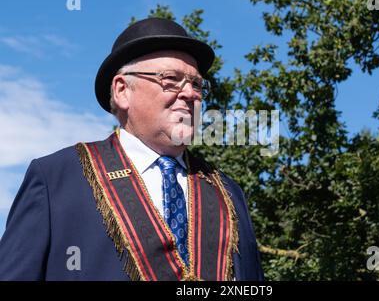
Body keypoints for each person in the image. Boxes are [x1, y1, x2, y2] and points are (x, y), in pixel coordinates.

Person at [0, 18, 264, 281]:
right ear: (122, 90)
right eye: (171, 79)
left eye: (196, 84)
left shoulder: (227, 192)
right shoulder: (58, 178)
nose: (190, 94)